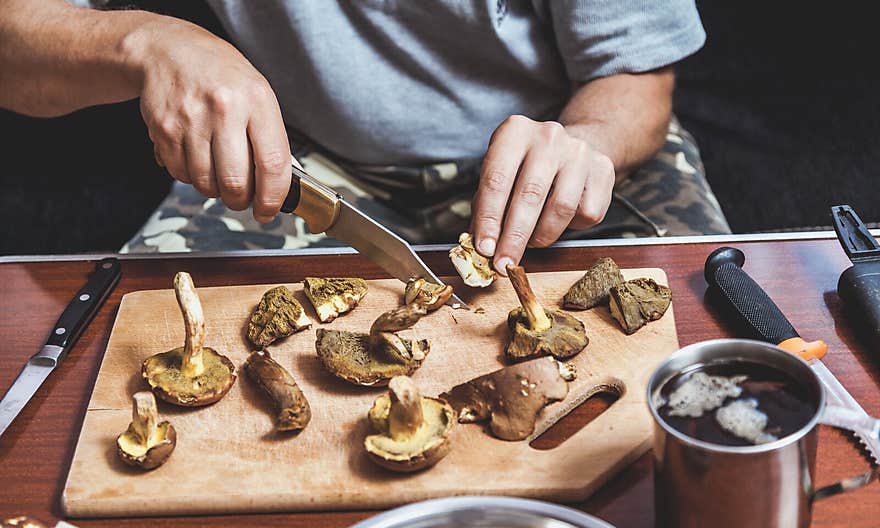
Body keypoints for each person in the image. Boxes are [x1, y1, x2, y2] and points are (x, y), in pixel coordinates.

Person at [0, 0, 728, 267]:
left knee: (697, 356)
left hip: (561, 144)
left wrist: (589, 141)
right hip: (302, 163)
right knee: (148, 351)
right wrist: (148, 41)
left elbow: (636, 77)